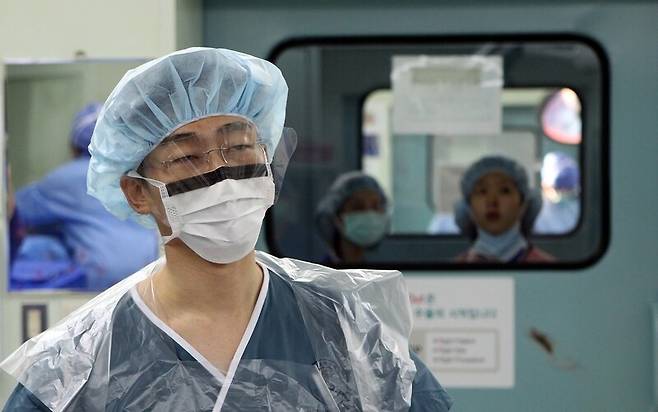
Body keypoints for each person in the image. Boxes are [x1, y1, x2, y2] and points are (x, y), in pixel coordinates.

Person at [1, 48, 451, 411]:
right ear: (137, 192)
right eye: (187, 157)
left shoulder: (343, 326)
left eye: (238, 147)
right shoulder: (82, 357)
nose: (222, 175)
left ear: (268, 164)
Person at [10, 103, 159, 290]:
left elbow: (11, 210)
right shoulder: (137, 175)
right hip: (150, 277)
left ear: (73, 147)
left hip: (98, 283)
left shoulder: (67, 179)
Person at [454, 155, 554, 263]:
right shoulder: (454, 269)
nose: (492, 201)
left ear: (523, 205)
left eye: (504, 191)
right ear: (469, 207)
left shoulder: (550, 268)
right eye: (482, 191)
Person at [315, 171, 390, 264]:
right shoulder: (322, 271)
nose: (369, 214)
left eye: (376, 206)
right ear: (337, 217)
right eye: (358, 207)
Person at [533, 151, 581, 234]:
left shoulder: (578, 210)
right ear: (544, 185)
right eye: (558, 188)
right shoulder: (534, 213)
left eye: (568, 188)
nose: (564, 192)